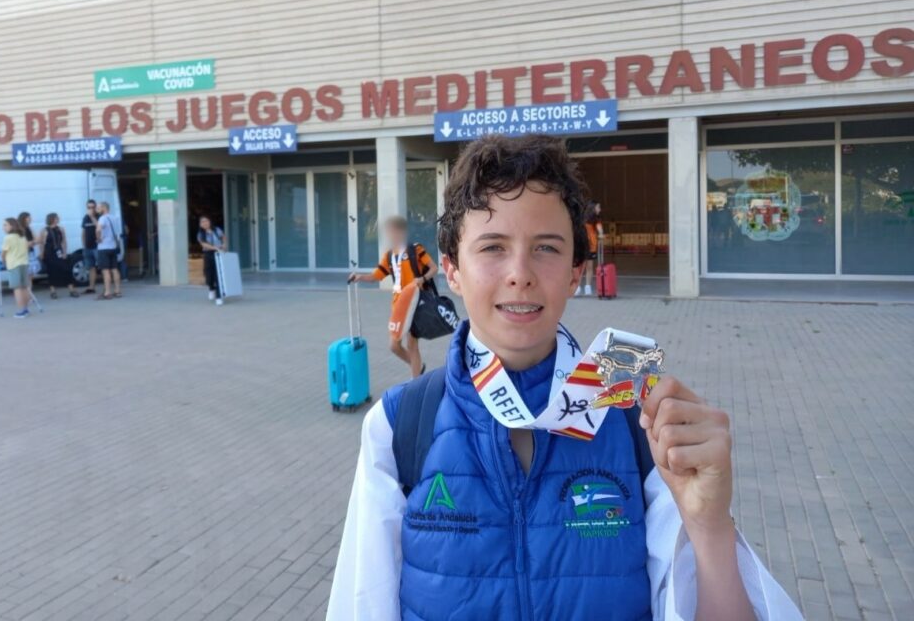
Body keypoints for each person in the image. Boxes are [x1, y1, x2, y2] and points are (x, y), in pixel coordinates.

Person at [327, 135, 801, 620]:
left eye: (546, 248)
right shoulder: (399, 425)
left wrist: (710, 526)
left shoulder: (640, 423)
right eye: (492, 247)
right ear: (452, 270)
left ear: (576, 272)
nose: (520, 274)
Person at [348, 216, 438, 379]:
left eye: (394, 232)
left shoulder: (415, 249)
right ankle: (418, 367)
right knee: (394, 346)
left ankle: (416, 381)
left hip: (415, 303)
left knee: (412, 345)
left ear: (402, 232)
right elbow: (377, 275)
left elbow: (433, 268)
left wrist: (422, 279)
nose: (391, 236)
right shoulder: (389, 255)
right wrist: (359, 277)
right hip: (398, 306)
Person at [39, 213, 79, 299]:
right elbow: (42, 243)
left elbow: (64, 241)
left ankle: (71, 289)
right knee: (52, 272)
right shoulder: (44, 230)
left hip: (59, 252)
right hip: (49, 253)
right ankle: (53, 291)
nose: (57, 219)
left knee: (66, 269)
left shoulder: (60, 229)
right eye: (56, 218)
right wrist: (42, 253)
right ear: (52, 219)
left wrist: (64, 252)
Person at [1, 217, 31, 319]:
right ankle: (26, 309)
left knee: (17, 288)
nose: (3, 227)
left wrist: (3, 261)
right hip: (24, 263)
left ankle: (21, 311)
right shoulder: (22, 237)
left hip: (14, 264)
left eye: (5, 225)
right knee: (24, 287)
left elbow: (3, 253)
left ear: (12, 226)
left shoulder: (8, 238)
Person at [575, 200, 604, 296]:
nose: (599, 209)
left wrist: (601, 234)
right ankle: (577, 287)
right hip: (582, 243)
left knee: (589, 266)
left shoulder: (596, 218)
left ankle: (588, 286)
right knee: (580, 266)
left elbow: (599, 228)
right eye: (598, 207)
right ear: (593, 208)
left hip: (591, 245)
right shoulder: (582, 217)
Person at [197, 216, 227, 305]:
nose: (205, 223)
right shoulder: (200, 234)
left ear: (210, 222)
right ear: (200, 224)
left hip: (219, 254)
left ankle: (219, 296)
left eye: (206, 221)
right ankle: (211, 288)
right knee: (209, 275)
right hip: (208, 254)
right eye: (202, 222)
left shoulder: (216, 230)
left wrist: (224, 245)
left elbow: (223, 237)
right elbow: (204, 244)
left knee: (218, 275)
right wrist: (215, 248)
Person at [95, 202, 121, 300]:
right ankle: (118, 291)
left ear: (104, 208)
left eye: (98, 207)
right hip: (113, 246)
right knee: (114, 269)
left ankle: (107, 292)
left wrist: (98, 238)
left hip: (104, 247)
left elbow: (98, 229)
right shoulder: (114, 218)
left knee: (105, 271)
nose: (97, 209)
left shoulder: (102, 218)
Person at [81, 199, 99, 294]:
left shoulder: (99, 216)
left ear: (96, 207)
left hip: (98, 246)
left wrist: (92, 217)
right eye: (89, 207)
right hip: (88, 247)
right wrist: (84, 246)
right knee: (91, 267)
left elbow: (99, 226)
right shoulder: (85, 217)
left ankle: (107, 288)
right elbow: (83, 232)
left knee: (104, 267)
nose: (91, 209)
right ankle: (91, 287)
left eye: (92, 207)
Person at [18, 211, 39, 291]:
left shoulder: (29, 228)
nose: (30, 219)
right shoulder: (20, 229)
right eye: (29, 218)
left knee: (31, 274)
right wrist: (32, 242)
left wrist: (32, 242)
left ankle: (29, 293)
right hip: (24, 254)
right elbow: (22, 243)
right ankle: (26, 293)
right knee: (26, 275)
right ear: (23, 219)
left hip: (30, 252)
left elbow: (36, 239)